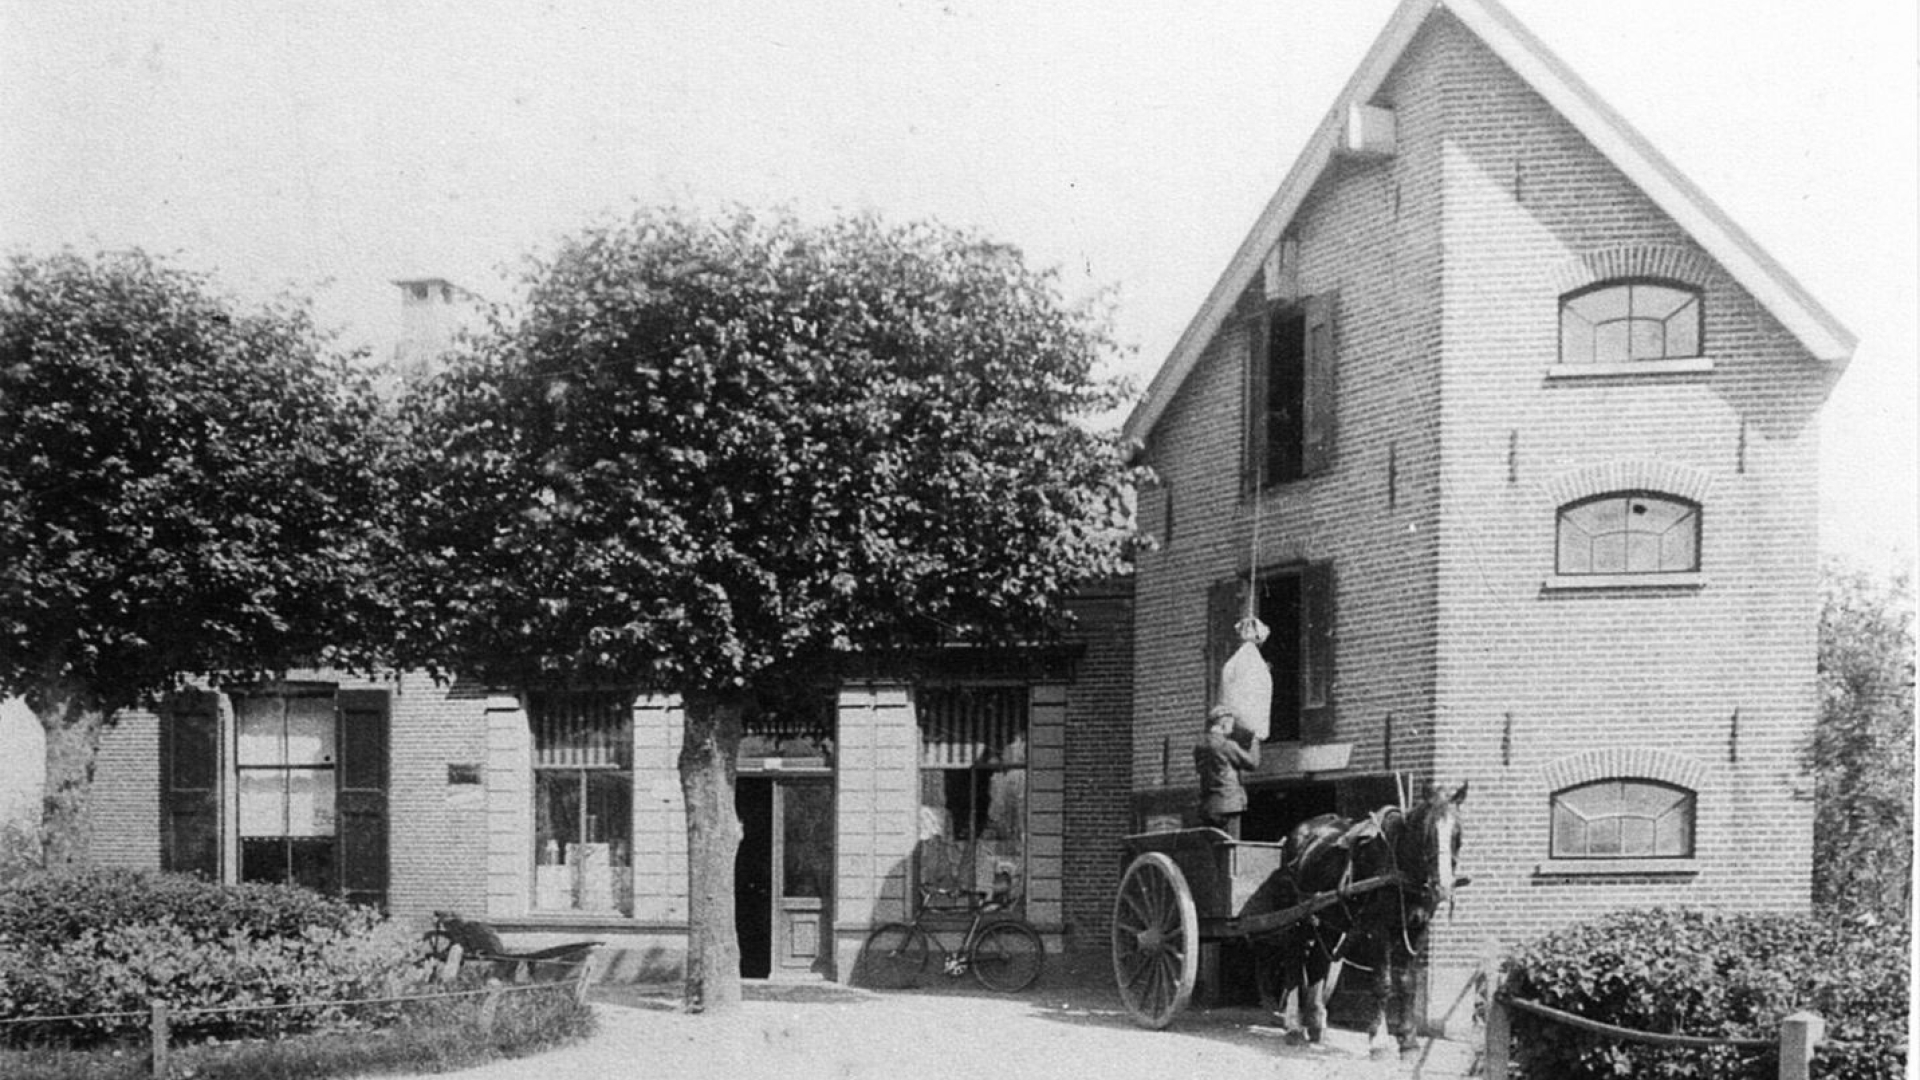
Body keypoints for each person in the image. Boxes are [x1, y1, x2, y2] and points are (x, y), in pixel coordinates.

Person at [1194, 704, 1260, 839]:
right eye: (1231, 723)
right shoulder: (1226, 745)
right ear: (1224, 723)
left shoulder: (1200, 746)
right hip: (1229, 805)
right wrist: (1254, 740)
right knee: (1230, 846)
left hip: (1208, 805)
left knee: (1213, 844)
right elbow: (1252, 763)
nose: (1232, 728)